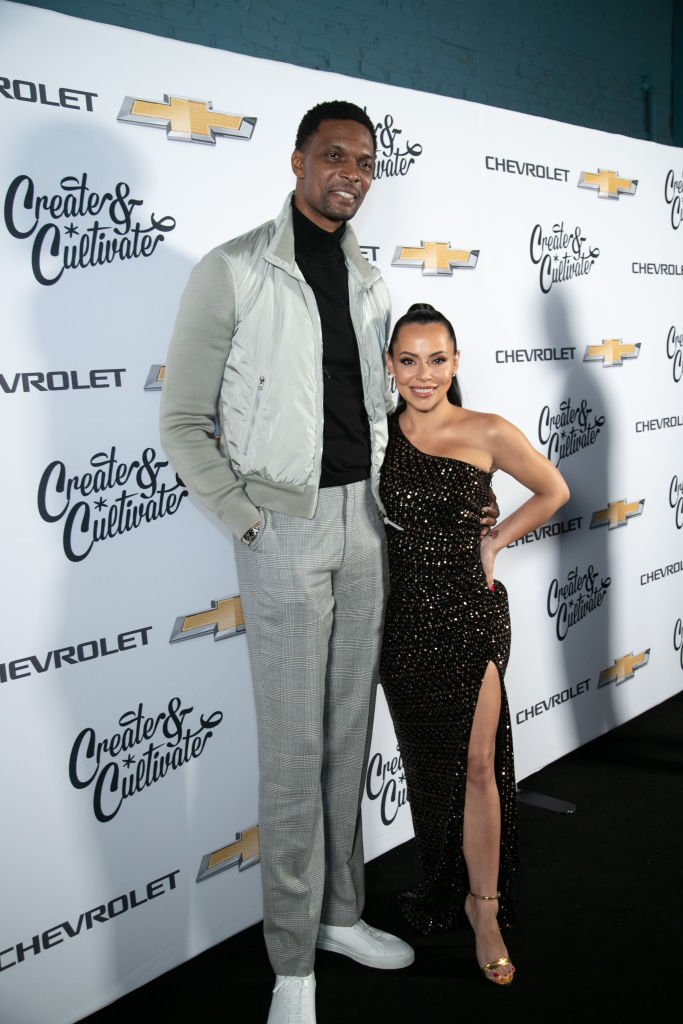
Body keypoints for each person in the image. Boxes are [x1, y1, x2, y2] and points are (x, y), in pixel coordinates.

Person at [159, 103, 498, 1023]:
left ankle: (339, 914)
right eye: (334, 155)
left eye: (365, 161)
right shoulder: (233, 269)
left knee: (348, 735)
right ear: (299, 160)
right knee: (291, 750)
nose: (350, 171)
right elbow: (184, 421)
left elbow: (388, 408)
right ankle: (290, 964)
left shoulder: (368, 279)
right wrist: (246, 520)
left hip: (367, 526)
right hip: (285, 527)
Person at [379, 303, 570, 986]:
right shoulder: (378, 437)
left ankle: (482, 906)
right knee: (431, 769)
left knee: (478, 761)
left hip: (470, 612)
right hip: (401, 621)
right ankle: (443, 878)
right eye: (408, 359)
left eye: (436, 359)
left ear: (455, 363)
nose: (422, 374)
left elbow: (552, 489)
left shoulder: (485, 429)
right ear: (390, 365)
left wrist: (496, 537)